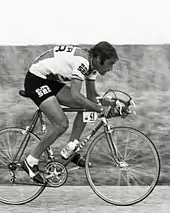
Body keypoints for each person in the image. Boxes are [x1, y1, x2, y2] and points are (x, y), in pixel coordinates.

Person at [20, 41, 119, 183]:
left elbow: (92, 98)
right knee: (61, 124)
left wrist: (108, 102)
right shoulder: (82, 62)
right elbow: (75, 95)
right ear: (98, 59)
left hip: (50, 80)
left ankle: (71, 149)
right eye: (110, 63)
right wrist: (98, 108)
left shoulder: (92, 67)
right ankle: (30, 161)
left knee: (86, 108)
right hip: (36, 80)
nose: (111, 68)